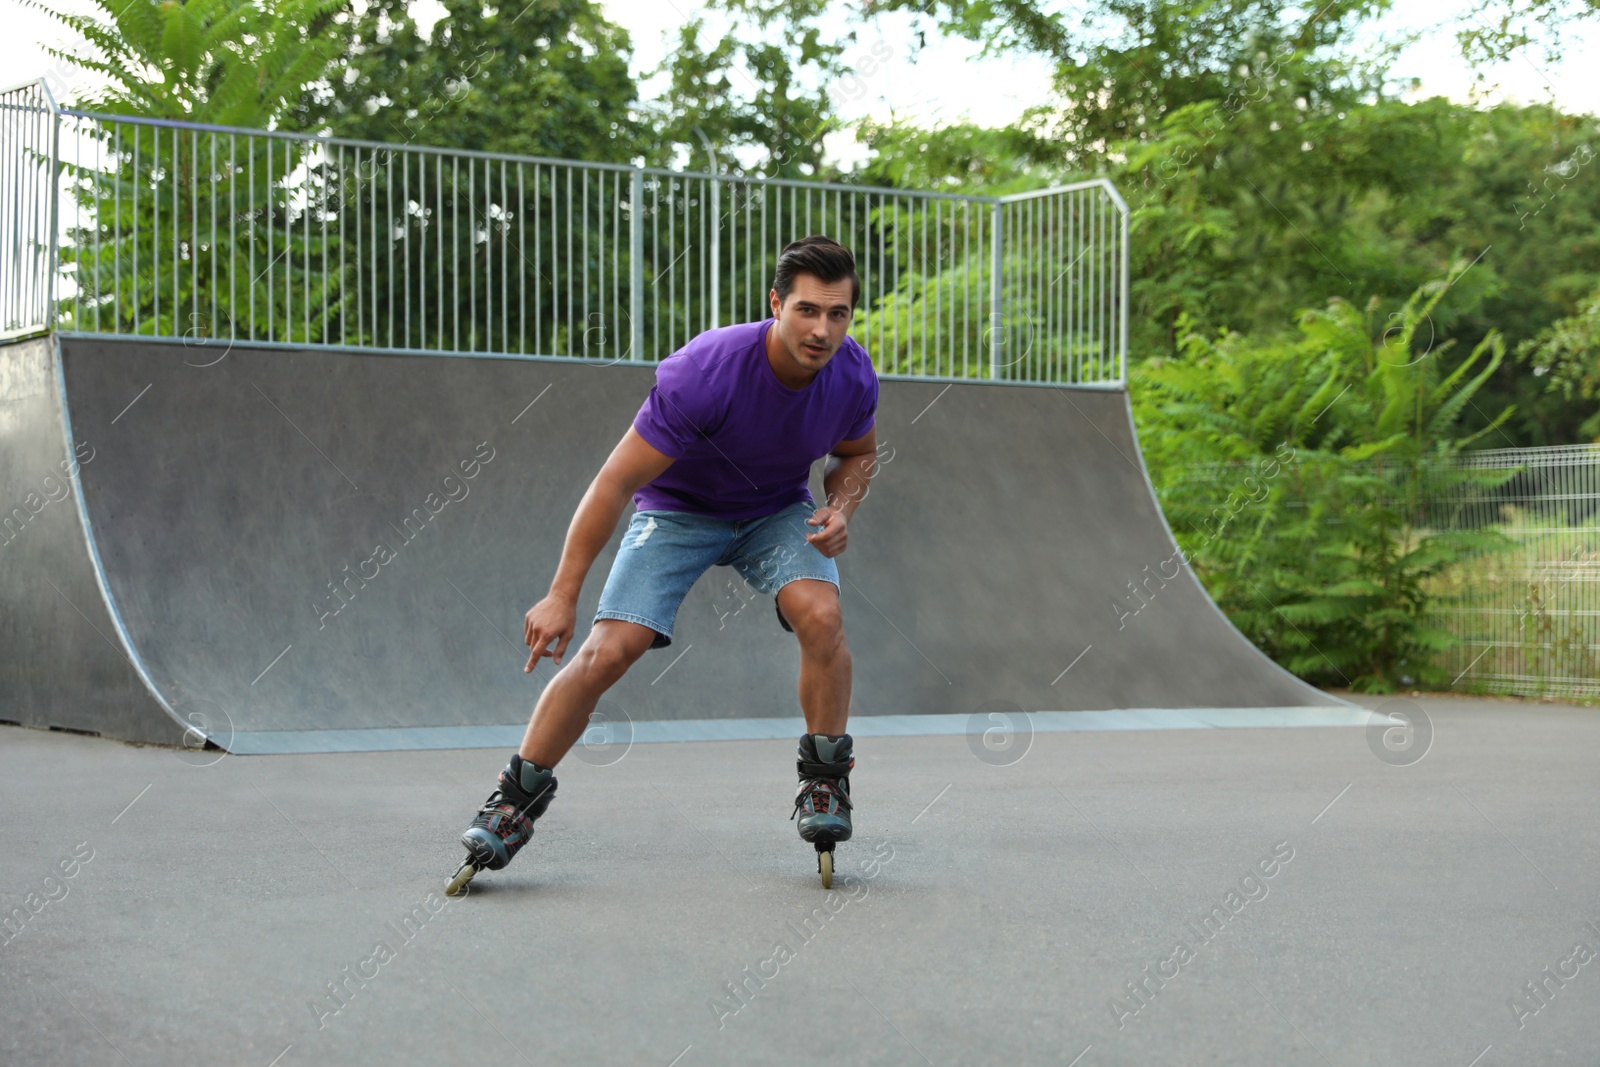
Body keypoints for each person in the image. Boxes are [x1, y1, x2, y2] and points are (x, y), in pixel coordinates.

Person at [448, 235, 881, 893]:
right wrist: (563, 592)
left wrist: (841, 504)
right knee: (607, 652)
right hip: (679, 511)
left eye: (838, 314)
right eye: (806, 310)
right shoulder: (707, 370)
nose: (822, 330)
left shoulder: (851, 375)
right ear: (775, 304)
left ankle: (825, 782)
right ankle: (513, 800)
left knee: (821, 615)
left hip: (776, 513)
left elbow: (857, 455)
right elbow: (613, 483)